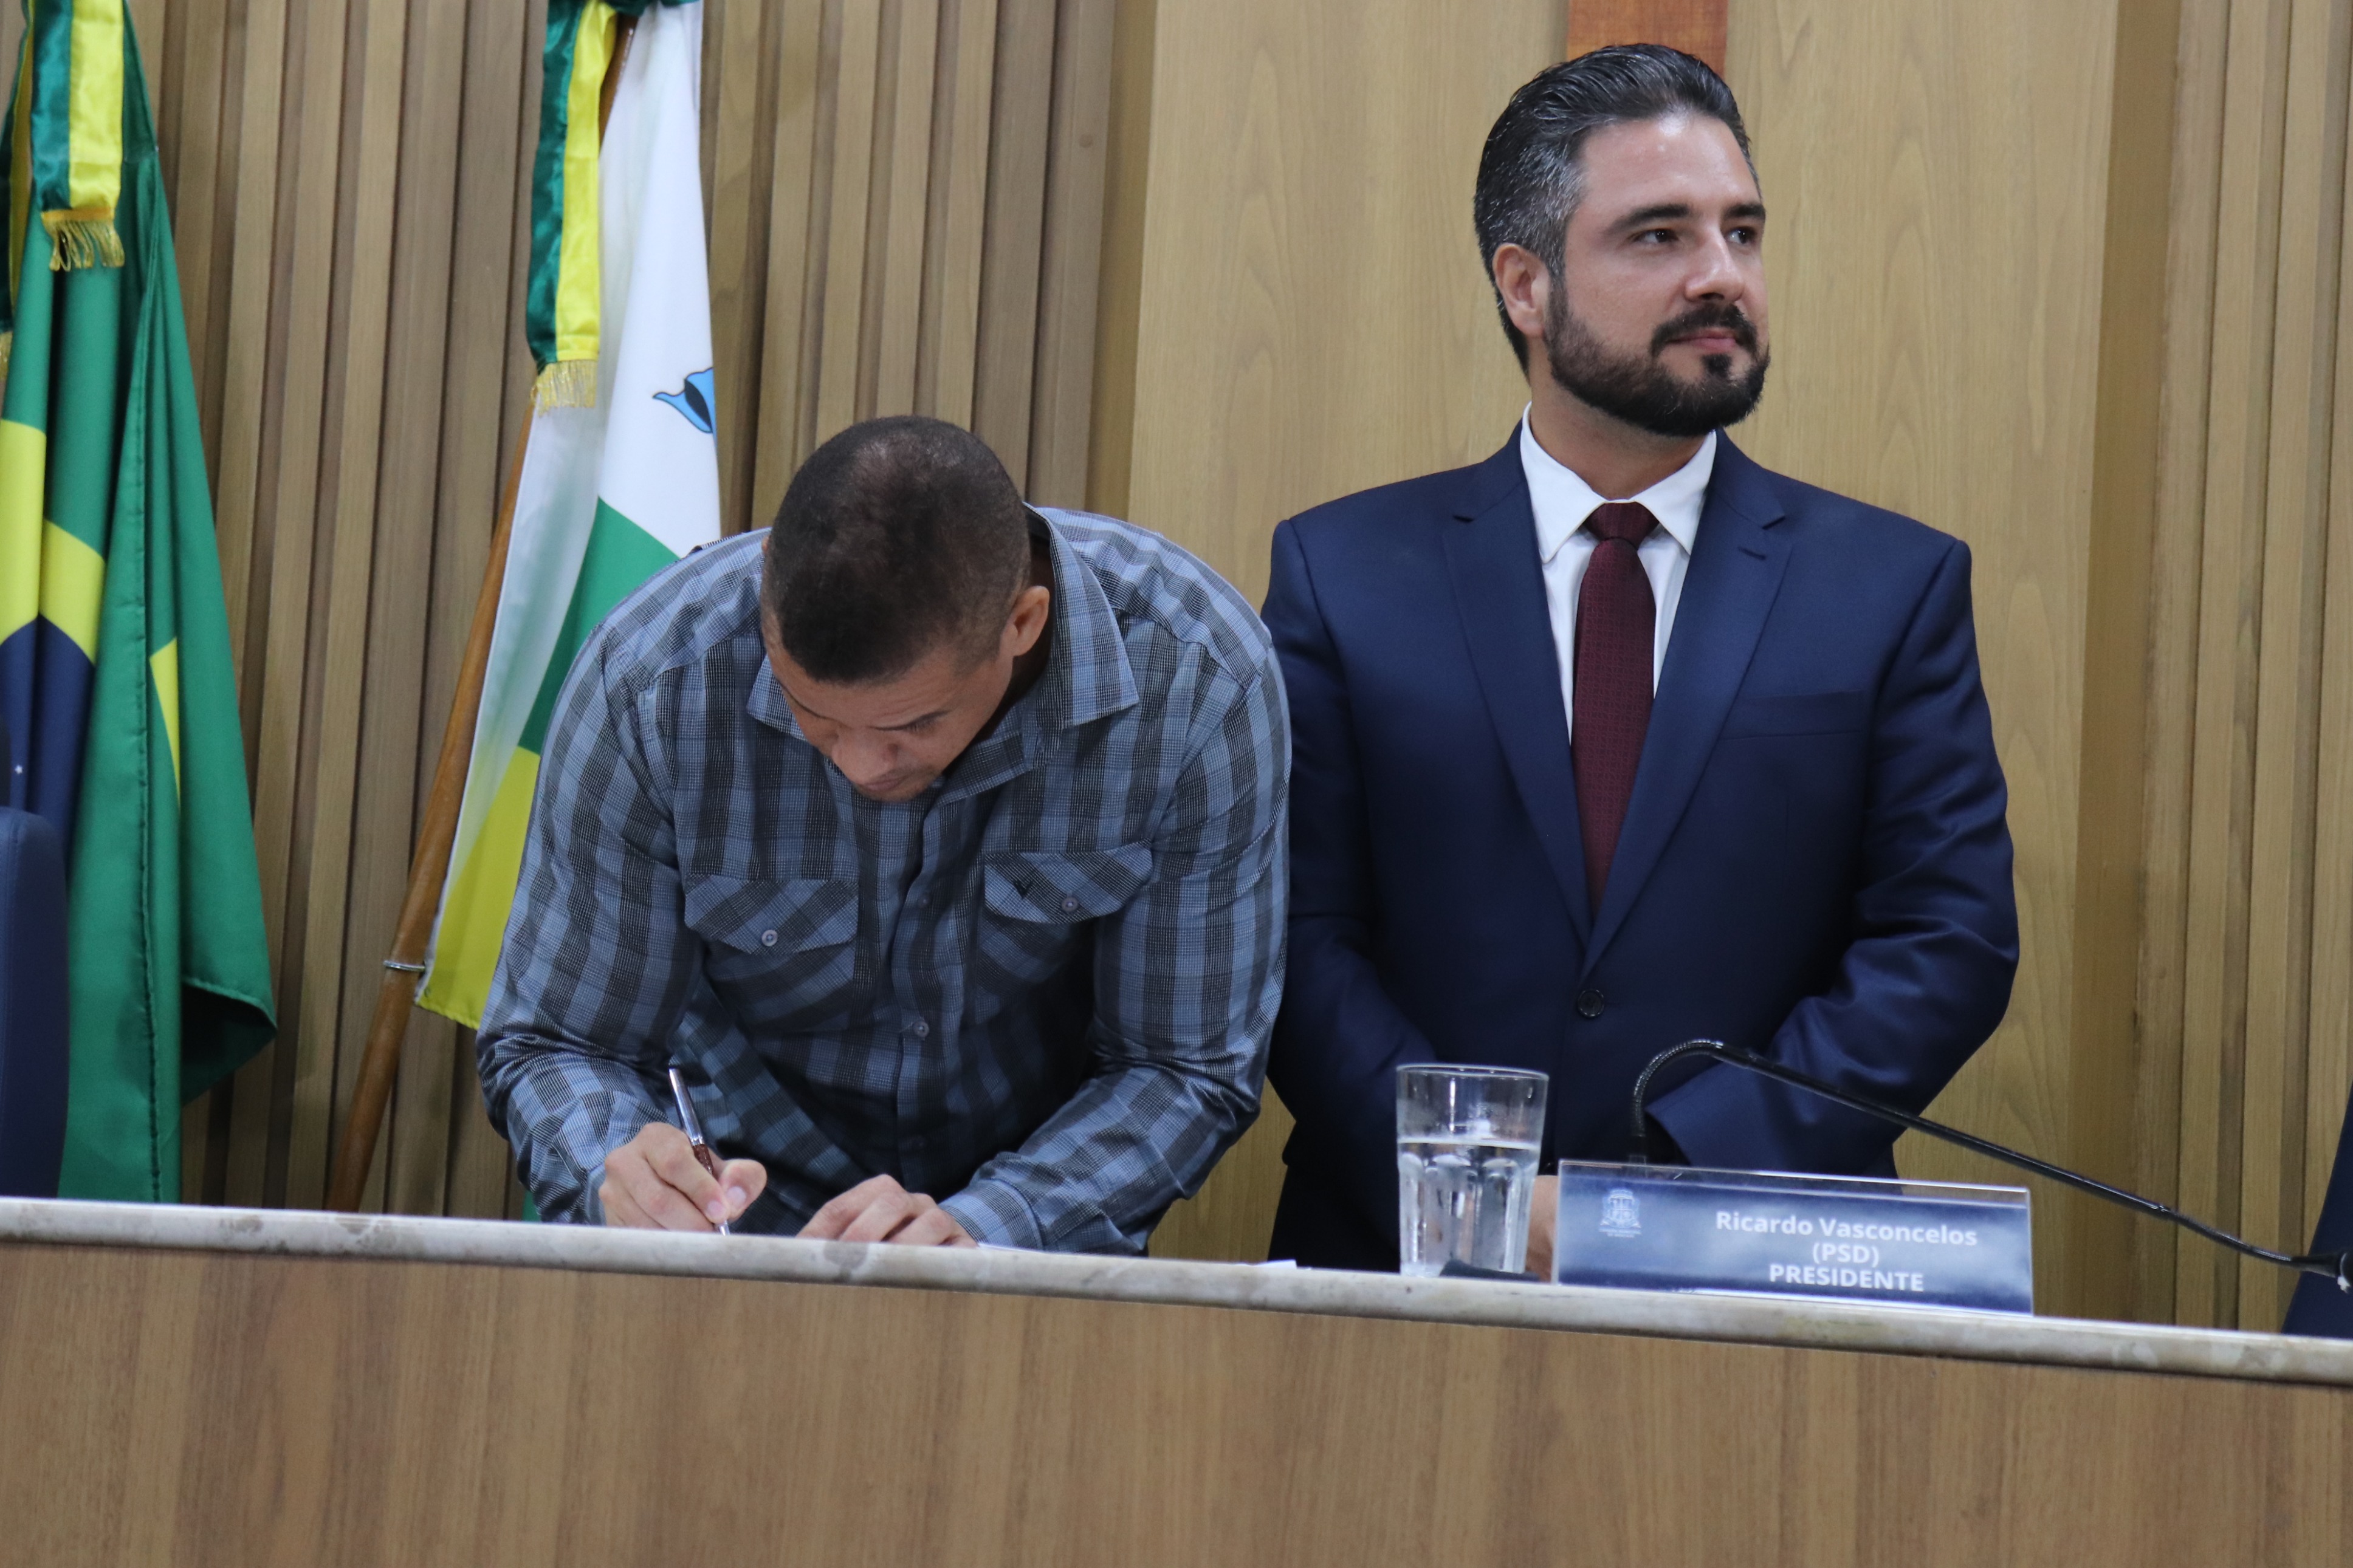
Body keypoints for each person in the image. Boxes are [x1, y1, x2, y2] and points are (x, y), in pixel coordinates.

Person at [1261, 46, 2017, 1272]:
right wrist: (1480, 1185)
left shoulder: (1893, 587)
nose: (1721, 275)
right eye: (1660, 236)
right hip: (1403, 1260)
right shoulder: (1342, 574)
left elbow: (1945, 942)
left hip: (1755, 1265)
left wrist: (1661, 1190)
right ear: (1526, 286)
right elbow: (1294, 933)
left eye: (1741, 232)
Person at [478, 416, 1288, 1251]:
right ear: (766, 587)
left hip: (1031, 1243)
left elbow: (1180, 1067)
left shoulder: (1198, 680)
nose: (861, 766)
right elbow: (559, 1042)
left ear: (1022, 623)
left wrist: (989, 1227)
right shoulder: (652, 682)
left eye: (913, 724)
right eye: (813, 714)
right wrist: (617, 1167)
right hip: (730, 1234)